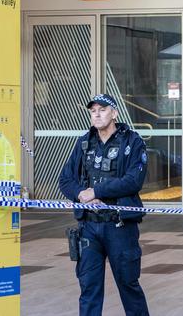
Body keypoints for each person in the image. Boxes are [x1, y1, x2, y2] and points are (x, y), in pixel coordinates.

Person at [59, 93, 149, 316]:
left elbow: (133, 181)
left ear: (114, 113)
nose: (97, 114)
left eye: (102, 110)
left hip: (119, 227)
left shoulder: (132, 141)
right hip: (89, 227)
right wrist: (81, 194)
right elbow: (65, 180)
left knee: (129, 286)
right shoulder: (84, 143)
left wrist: (96, 191)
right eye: (93, 111)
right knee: (88, 288)